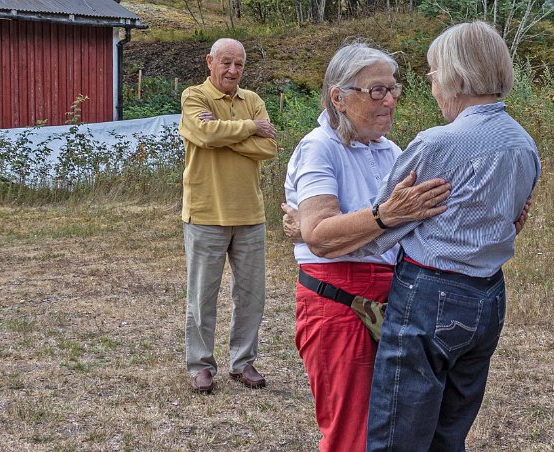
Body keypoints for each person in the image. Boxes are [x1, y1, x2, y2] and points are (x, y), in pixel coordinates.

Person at [360, 22, 541, 451]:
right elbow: (513, 218)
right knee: (450, 431)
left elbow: (381, 224)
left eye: (433, 72)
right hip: (489, 296)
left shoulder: (439, 142)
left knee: (396, 436)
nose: (430, 82)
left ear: (458, 77)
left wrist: (311, 232)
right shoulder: (524, 143)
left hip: (430, 293)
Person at [282, 42, 452, 452]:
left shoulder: (391, 150)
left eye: (393, 89)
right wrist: (383, 215)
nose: (390, 99)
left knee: (392, 428)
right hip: (338, 303)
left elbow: (415, 217)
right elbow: (322, 235)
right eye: (376, 90)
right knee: (351, 434)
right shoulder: (319, 147)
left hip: (391, 296)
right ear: (339, 97)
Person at [178, 38, 277, 394]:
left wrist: (222, 133)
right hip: (205, 212)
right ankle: (200, 365)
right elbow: (203, 133)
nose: (232, 70)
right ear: (210, 61)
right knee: (202, 295)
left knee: (251, 295)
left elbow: (270, 147)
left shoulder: (253, 100)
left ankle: (242, 362)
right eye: (226, 62)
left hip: (250, 214)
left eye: (239, 65)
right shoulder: (194, 97)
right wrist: (250, 128)